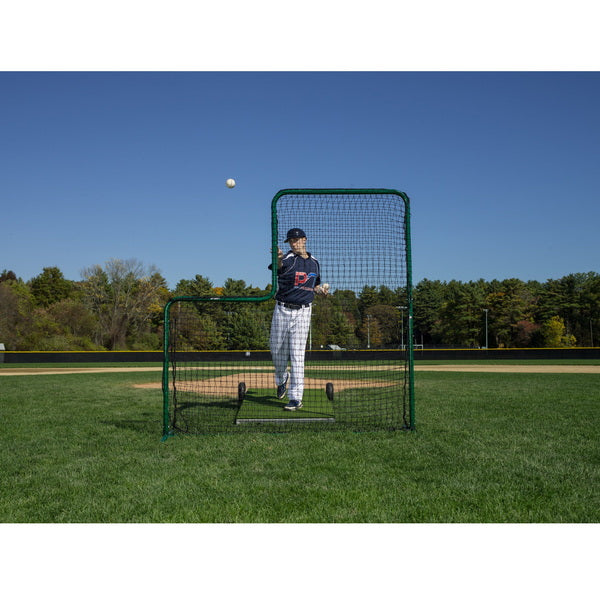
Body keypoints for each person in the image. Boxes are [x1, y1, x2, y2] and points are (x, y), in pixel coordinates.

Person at [269, 227, 328, 410]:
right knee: (276, 351)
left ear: (304, 239)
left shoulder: (315, 263)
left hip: (303, 312)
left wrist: (321, 290)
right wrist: (278, 257)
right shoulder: (287, 259)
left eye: (296, 240)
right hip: (282, 309)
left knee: (297, 355)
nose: (293, 244)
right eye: (291, 241)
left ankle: (296, 397)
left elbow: (314, 286)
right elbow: (278, 267)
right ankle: (281, 378)